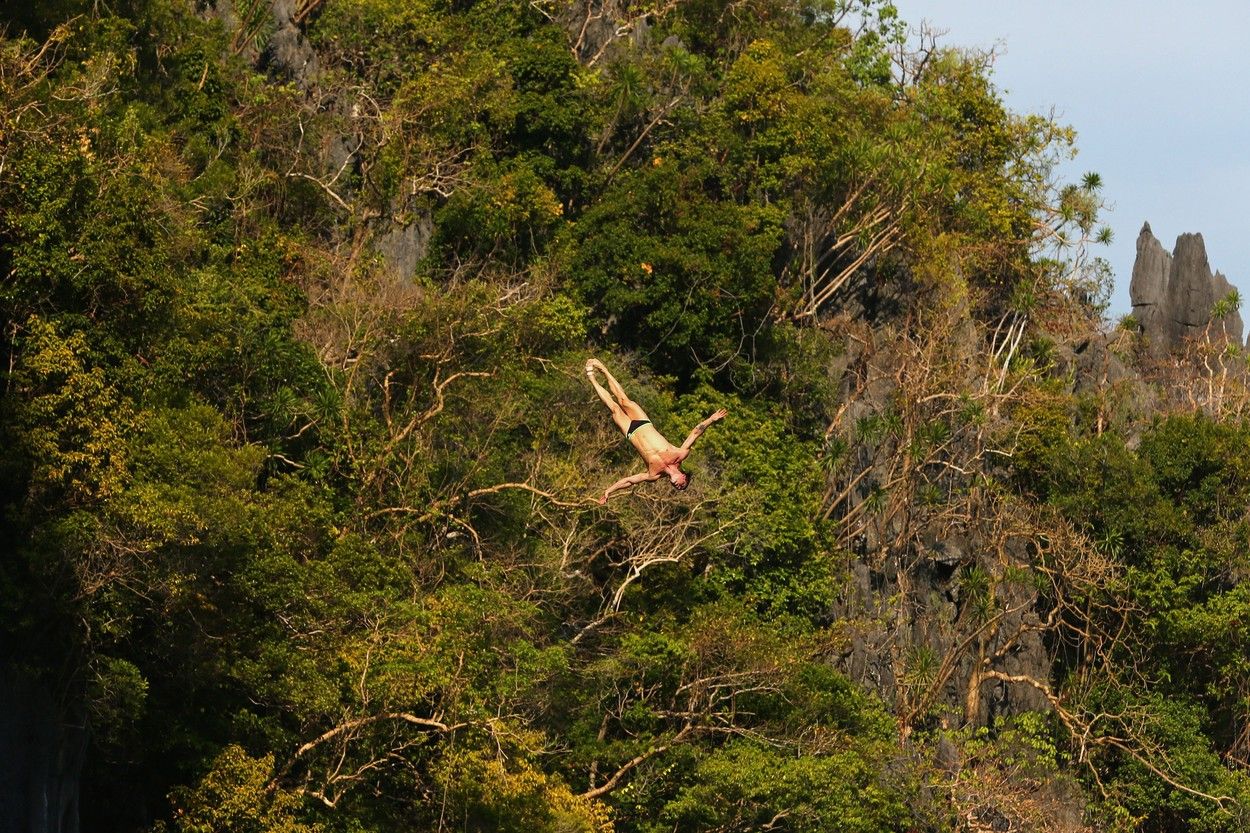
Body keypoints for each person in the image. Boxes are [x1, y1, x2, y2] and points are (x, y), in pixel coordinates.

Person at [585, 358, 728, 504]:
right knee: (624, 400)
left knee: (614, 408)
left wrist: (609, 490)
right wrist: (711, 419)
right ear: (684, 476)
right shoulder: (679, 454)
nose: (678, 487)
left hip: (630, 432)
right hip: (643, 423)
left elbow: (630, 481)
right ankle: (604, 370)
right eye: (682, 485)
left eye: (678, 488)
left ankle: (592, 379)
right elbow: (696, 432)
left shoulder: (653, 475)